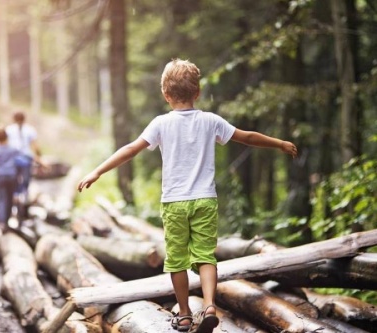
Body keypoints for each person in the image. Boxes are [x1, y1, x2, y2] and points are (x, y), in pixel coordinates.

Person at [77, 58, 298, 333]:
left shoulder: (160, 124)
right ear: (197, 92)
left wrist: (97, 171)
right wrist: (279, 143)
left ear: (165, 94)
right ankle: (208, 306)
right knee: (205, 257)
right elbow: (247, 137)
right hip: (205, 199)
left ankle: (183, 314)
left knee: (177, 261)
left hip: (174, 203)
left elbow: (130, 149)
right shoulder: (210, 121)